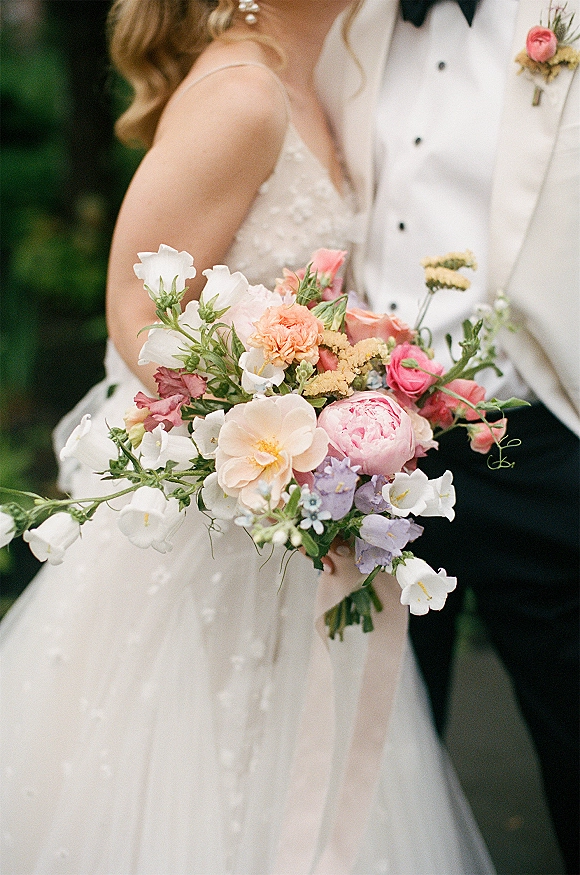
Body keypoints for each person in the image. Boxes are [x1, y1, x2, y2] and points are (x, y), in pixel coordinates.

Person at [0, 2, 496, 873]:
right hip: (222, 517)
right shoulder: (244, 95)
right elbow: (133, 309)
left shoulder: (322, 76)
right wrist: (295, 408)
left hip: (282, 516)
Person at [316, 0, 580, 872]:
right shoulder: (346, 26)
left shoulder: (561, 18)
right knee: (377, 748)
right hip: (373, 450)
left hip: (533, 437)